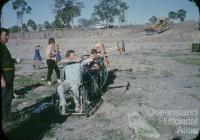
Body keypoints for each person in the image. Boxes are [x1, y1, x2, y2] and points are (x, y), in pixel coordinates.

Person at [57, 50, 94, 115]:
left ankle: (77, 104)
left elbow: (90, 59)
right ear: (68, 57)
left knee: (74, 87)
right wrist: (74, 60)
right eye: (73, 56)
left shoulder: (79, 62)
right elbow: (60, 61)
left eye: (75, 55)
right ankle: (63, 105)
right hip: (67, 82)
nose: (75, 57)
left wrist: (90, 57)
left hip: (76, 82)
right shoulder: (65, 63)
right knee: (60, 87)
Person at [0, 27, 21, 123]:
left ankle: (5, 116)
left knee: (7, 96)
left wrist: (14, 60)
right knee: (6, 97)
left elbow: (5, 60)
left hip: (8, 74)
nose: (8, 37)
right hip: (5, 75)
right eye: (6, 35)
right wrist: (1, 78)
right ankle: (6, 118)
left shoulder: (3, 45)